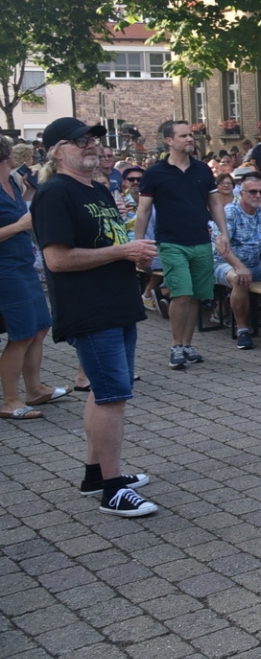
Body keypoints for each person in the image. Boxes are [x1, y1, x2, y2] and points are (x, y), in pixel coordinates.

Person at [31, 118, 160, 515]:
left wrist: (131, 252)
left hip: (117, 304)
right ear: (56, 151)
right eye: (79, 141)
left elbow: (110, 243)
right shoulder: (54, 193)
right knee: (113, 398)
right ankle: (112, 488)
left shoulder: (100, 190)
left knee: (104, 394)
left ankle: (95, 473)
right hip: (90, 309)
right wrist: (123, 252)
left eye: (93, 140)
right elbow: (57, 259)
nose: (91, 146)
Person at [134, 120, 229, 370]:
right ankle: (176, 346)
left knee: (196, 295)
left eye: (191, 135)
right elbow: (143, 211)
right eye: (184, 135)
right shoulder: (155, 173)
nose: (190, 139)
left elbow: (215, 204)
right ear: (169, 140)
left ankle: (188, 344)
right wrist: (139, 244)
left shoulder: (202, 170)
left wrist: (223, 232)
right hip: (171, 242)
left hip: (200, 241)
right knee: (181, 292)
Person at [0, 136, 68, 419]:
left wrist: (28, 194)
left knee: (40, 327)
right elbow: (16, 224)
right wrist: (18, 226)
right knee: (22, 333)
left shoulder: (13, 184)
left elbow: (20, 214)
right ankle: (10, 400)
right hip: (5, 270)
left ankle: (34, 388)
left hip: (24, 264)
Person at [216, 173, 261, 350]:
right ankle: (243, 330)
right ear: (242, 193)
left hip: (254, 263)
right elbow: (222, 247)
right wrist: (239, 267)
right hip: (224, 264)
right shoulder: (230, 212)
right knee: (240, 278)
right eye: (253, 192)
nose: (258, 196)